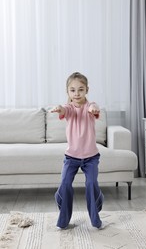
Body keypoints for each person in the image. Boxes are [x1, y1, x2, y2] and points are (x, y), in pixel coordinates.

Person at [51, 72, 104, 230]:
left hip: (91, 157)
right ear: (67, 92)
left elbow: (95, 108)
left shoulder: (90, 106)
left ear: (87, 89)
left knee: (91, 183)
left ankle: (95, 216)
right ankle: (64, 218)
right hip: (71, 157)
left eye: (80, 89)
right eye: (72, 90)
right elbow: (65, 110)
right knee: (65, 183)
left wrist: (94, 108)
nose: (77, 93)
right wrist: (59, 108)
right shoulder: (69, 108)